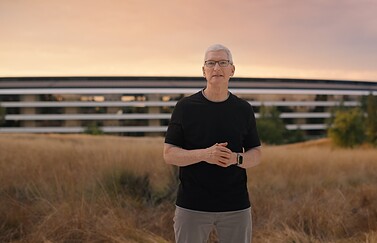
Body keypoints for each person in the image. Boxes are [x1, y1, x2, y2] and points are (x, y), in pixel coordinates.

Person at [163, 44, 262, 243]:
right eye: (211, 63)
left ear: (232, 70)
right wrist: (204, 155)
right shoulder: (185, 107)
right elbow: (169, 154)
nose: (216, 68)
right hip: (192, 205)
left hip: (236, 206)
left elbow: (256, 153)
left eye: (222, 63)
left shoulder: (243, 109)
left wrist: (236, 158)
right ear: (204, 70)